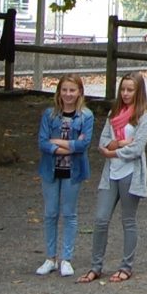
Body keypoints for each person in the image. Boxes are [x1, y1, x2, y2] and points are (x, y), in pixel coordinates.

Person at [79, 72, 147, 283]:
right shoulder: (114, 113)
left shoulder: (145, 116)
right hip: (110, 173)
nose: (126, 93)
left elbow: (137, 148)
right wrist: (120, 144)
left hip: (130, 174)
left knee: (128, 220)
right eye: (123, 89)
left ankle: (126, 267)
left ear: (138, 92)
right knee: (101, 219)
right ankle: (95, 266)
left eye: (130, 90)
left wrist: (116, 149)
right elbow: (103, 142)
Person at [38, 75, 96, 275]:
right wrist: (68, 147)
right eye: (65, 90)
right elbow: (43, 142)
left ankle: (66, 258)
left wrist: (58, 142)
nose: (68, 94)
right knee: (50, 213)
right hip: (50, 170)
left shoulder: (86, 116)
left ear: (79, 92)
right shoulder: (49, 115)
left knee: (69, 213)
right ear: (59, 92)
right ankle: (50, 257)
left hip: (74, 170)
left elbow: (83, 145)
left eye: (72, 90)